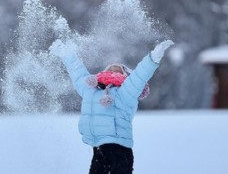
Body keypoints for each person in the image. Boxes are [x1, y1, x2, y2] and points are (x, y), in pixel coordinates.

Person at [49, 39, 174, 174]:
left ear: (126, 76)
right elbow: (78, 73)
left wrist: (153, 58)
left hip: (120, 151)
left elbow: (140, 76)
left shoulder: (126, 92)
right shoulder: (90, 90)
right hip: (98, 150)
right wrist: (66, 54)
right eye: (110, 68)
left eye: (119, 69)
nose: (114, 68)